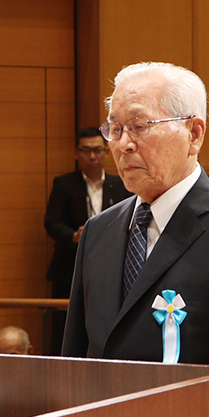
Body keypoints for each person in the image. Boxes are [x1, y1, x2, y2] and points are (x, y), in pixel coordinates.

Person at [61, 61, 209, 417]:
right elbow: (74, 361)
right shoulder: (99, 231)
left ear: (194, 133)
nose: (123, 144)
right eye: (116, 128)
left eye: (139, 126)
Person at [44, 127, 131, 354]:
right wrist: (74, 236)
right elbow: (52, 222)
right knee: (64, 328)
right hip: (69, 266)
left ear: (106, 152)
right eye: (86, 151)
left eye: (97, 150)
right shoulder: (64, 184)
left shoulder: (121, 185)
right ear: (76, 153)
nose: (92, 156)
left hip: (110, 266)